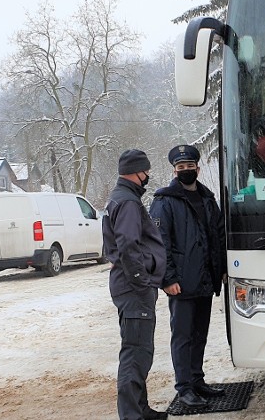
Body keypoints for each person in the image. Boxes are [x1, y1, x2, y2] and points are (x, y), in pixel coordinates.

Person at [149, 145, 227, 409]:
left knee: (200, 334)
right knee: (182, 336)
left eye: (189, 167)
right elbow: (160, 243)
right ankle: (184, 388)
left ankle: (197, 380)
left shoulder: (207, 198)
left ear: (197, 168)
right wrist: (167, 279)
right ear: (174, 170)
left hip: (205, 280)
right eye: (180, 168)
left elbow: (218, 236)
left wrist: (222, 270)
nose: (185, 171)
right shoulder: (164, 200)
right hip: (180, 283)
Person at [102, 149, 168, 420]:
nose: (148, 176)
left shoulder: (119, 198)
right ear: (137, 171)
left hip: (128, 284)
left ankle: (140, 409)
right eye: (146, 171)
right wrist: (142, 281)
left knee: (140, 348)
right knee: (135, 352)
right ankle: (131, 414)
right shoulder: (128, 202)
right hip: (134, 286)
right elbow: (128, 244)